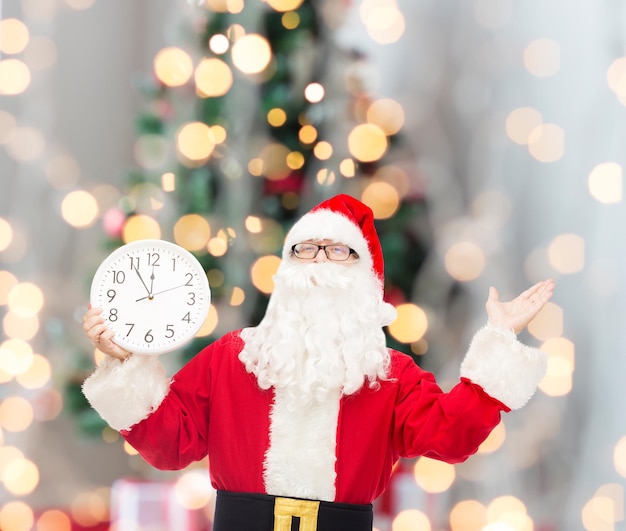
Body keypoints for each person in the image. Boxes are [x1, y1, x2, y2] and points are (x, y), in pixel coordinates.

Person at [81, 194, 555, 531]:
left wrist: (499, 342)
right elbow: (171, 444)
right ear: (287, 269)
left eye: (338, 251)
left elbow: (450, 437)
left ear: (365, 277)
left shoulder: (389, 376)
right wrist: (124, 363)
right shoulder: (233, 358)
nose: (319, 262)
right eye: (306, 250)